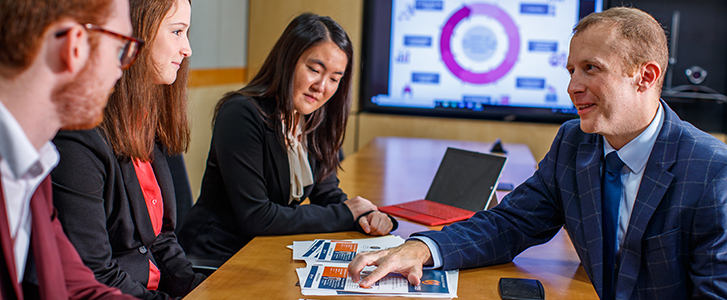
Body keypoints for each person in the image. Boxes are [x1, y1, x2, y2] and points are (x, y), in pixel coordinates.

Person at [348, 7, 727, 300]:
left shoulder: (712, 171)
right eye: (571, 70)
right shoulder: (573, 144)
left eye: (590, 69)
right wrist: (421, 248)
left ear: (644, 76)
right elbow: (509, 224)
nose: (572, 86)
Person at [178, 13, 397, 259]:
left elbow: (327, 194)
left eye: (334, 79)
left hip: (265, 251)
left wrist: (366, 216)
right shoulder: (241, 113)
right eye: (314, 70)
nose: (322, 86)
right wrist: (346, 213)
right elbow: (257, 217)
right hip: (217, 256)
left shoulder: (315, 118)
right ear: (287, 61)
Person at [50, 0, 205, 299]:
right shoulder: (78, 138)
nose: (187, 49)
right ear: (134, 32)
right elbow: (96, 273)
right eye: (177, 32)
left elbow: (161, 240)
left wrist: (203, 290)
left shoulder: (145, 121)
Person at [0, 0, 141, 298]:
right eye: (121, 49)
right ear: (75, 46)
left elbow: (77, 287)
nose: (120, 72)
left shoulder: (34, 165)